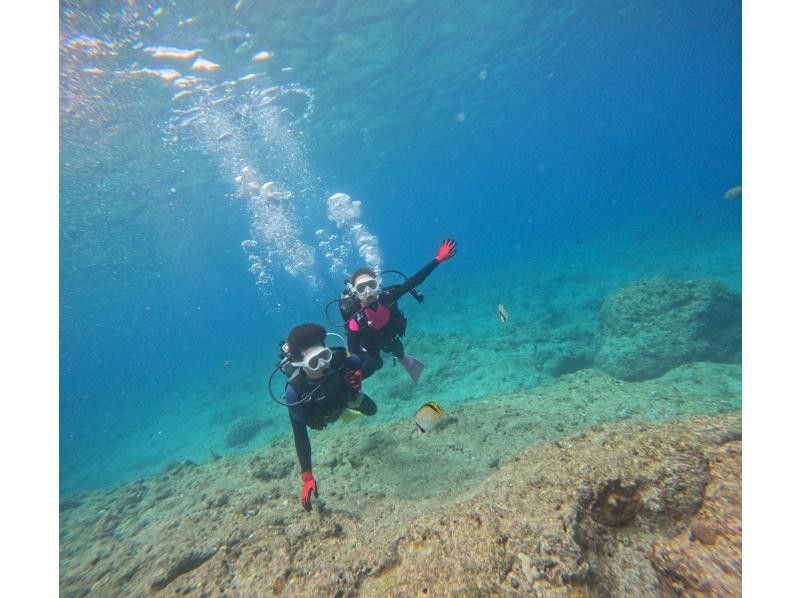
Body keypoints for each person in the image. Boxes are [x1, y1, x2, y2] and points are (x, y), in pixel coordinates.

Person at [283, 323, 376, 511]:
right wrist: (307, 476)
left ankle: (347, 410)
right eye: (314, 362)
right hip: (320, 417)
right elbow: (300, 434)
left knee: (372, 410)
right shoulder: (294, 390)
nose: (324, 364)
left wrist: (360, 374)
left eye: (324, 356)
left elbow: (372, 362)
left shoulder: (338, 358)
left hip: (344, 400)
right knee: (323, 417)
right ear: (300, 364)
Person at [342, 239, 458, 382]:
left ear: (377, 285)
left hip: (390, 335)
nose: (368, 292)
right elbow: (353, 352)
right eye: (361, 288)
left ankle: (405, 360)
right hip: (371, 343)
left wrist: (438, 259)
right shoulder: (355, 317)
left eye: (371, 285)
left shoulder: (388, 297)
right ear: (355, 293)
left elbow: (414, 281)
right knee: (375, 363)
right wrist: (356, 372)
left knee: (398, 350)